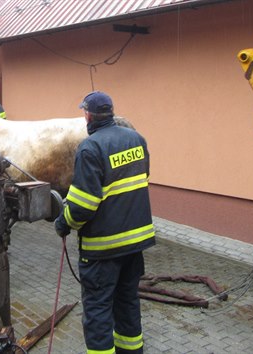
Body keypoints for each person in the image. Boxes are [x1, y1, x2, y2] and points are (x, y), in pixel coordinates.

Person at [54, 91, 156, 354]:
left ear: (88, 115)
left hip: (103, 249)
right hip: (135, 244)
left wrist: (63, 222)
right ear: (111, 112)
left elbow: (82, 206)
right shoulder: (137, 139)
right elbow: (141, 177)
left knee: (98, 310)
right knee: (127, 303)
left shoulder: (91, 147)